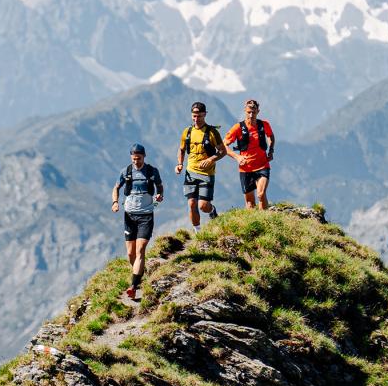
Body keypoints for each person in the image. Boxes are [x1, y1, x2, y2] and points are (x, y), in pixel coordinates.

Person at [112, 143, 164, 301]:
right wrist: (115, 202)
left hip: (146, 215)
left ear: (144, 156)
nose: (136, 162)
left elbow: (160, 187)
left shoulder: (151, 171)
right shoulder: (126, 171)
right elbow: (116, 188)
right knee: (130, 253)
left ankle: (133, 286)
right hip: (129, 216)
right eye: (134, 159)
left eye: (139, 159)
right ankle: (139, 273)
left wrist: (159, 197)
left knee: (140, 250)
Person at [176, 100, 226, 228]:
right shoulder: (187, 132)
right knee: (192, 203)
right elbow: (181, 150)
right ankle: (198, 232)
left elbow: (222, 151)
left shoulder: (212, 132)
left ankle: (212, 210)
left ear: (205, 114)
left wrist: (210, 159)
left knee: (203, 206)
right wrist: (180, 164)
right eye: (194, 115)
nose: (196, 118)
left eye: (199, 116)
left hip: (206, 174)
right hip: (190, 173)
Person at [224, 97, 275, 210]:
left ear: (258, 111)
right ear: (245, 111)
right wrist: (237, 157)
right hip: (245, 168)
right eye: (249, 112)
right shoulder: (238, 127)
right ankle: (255, 225)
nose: (251, 115)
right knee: (250, 203)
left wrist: (271, 150)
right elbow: (224, 145)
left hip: (262, 165)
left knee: (261, 194)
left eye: (254, 112)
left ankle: (265, 221)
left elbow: (271, 136)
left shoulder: (264, 125)